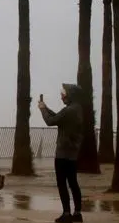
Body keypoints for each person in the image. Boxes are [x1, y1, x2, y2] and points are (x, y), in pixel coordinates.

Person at [39, 84, 84, 223]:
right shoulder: (76, 109)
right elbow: (59, 117)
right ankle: (77, 213)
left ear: (70, 95)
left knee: (62, 183)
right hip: (73, 152)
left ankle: (66, 213)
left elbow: (51, 121)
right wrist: (46, 108)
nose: (62, 96)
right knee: (73, 182)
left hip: (63, 152)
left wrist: (42, 110)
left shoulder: (69, 110)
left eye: (64, 93)